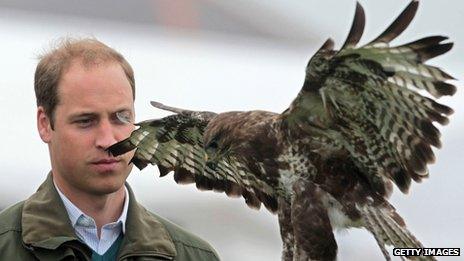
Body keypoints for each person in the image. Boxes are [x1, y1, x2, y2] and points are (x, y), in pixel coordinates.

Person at [0, 38, 220, 260]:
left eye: (121, 118)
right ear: (45, 124)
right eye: (86, 121)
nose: (108, 140)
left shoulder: (193, 256)